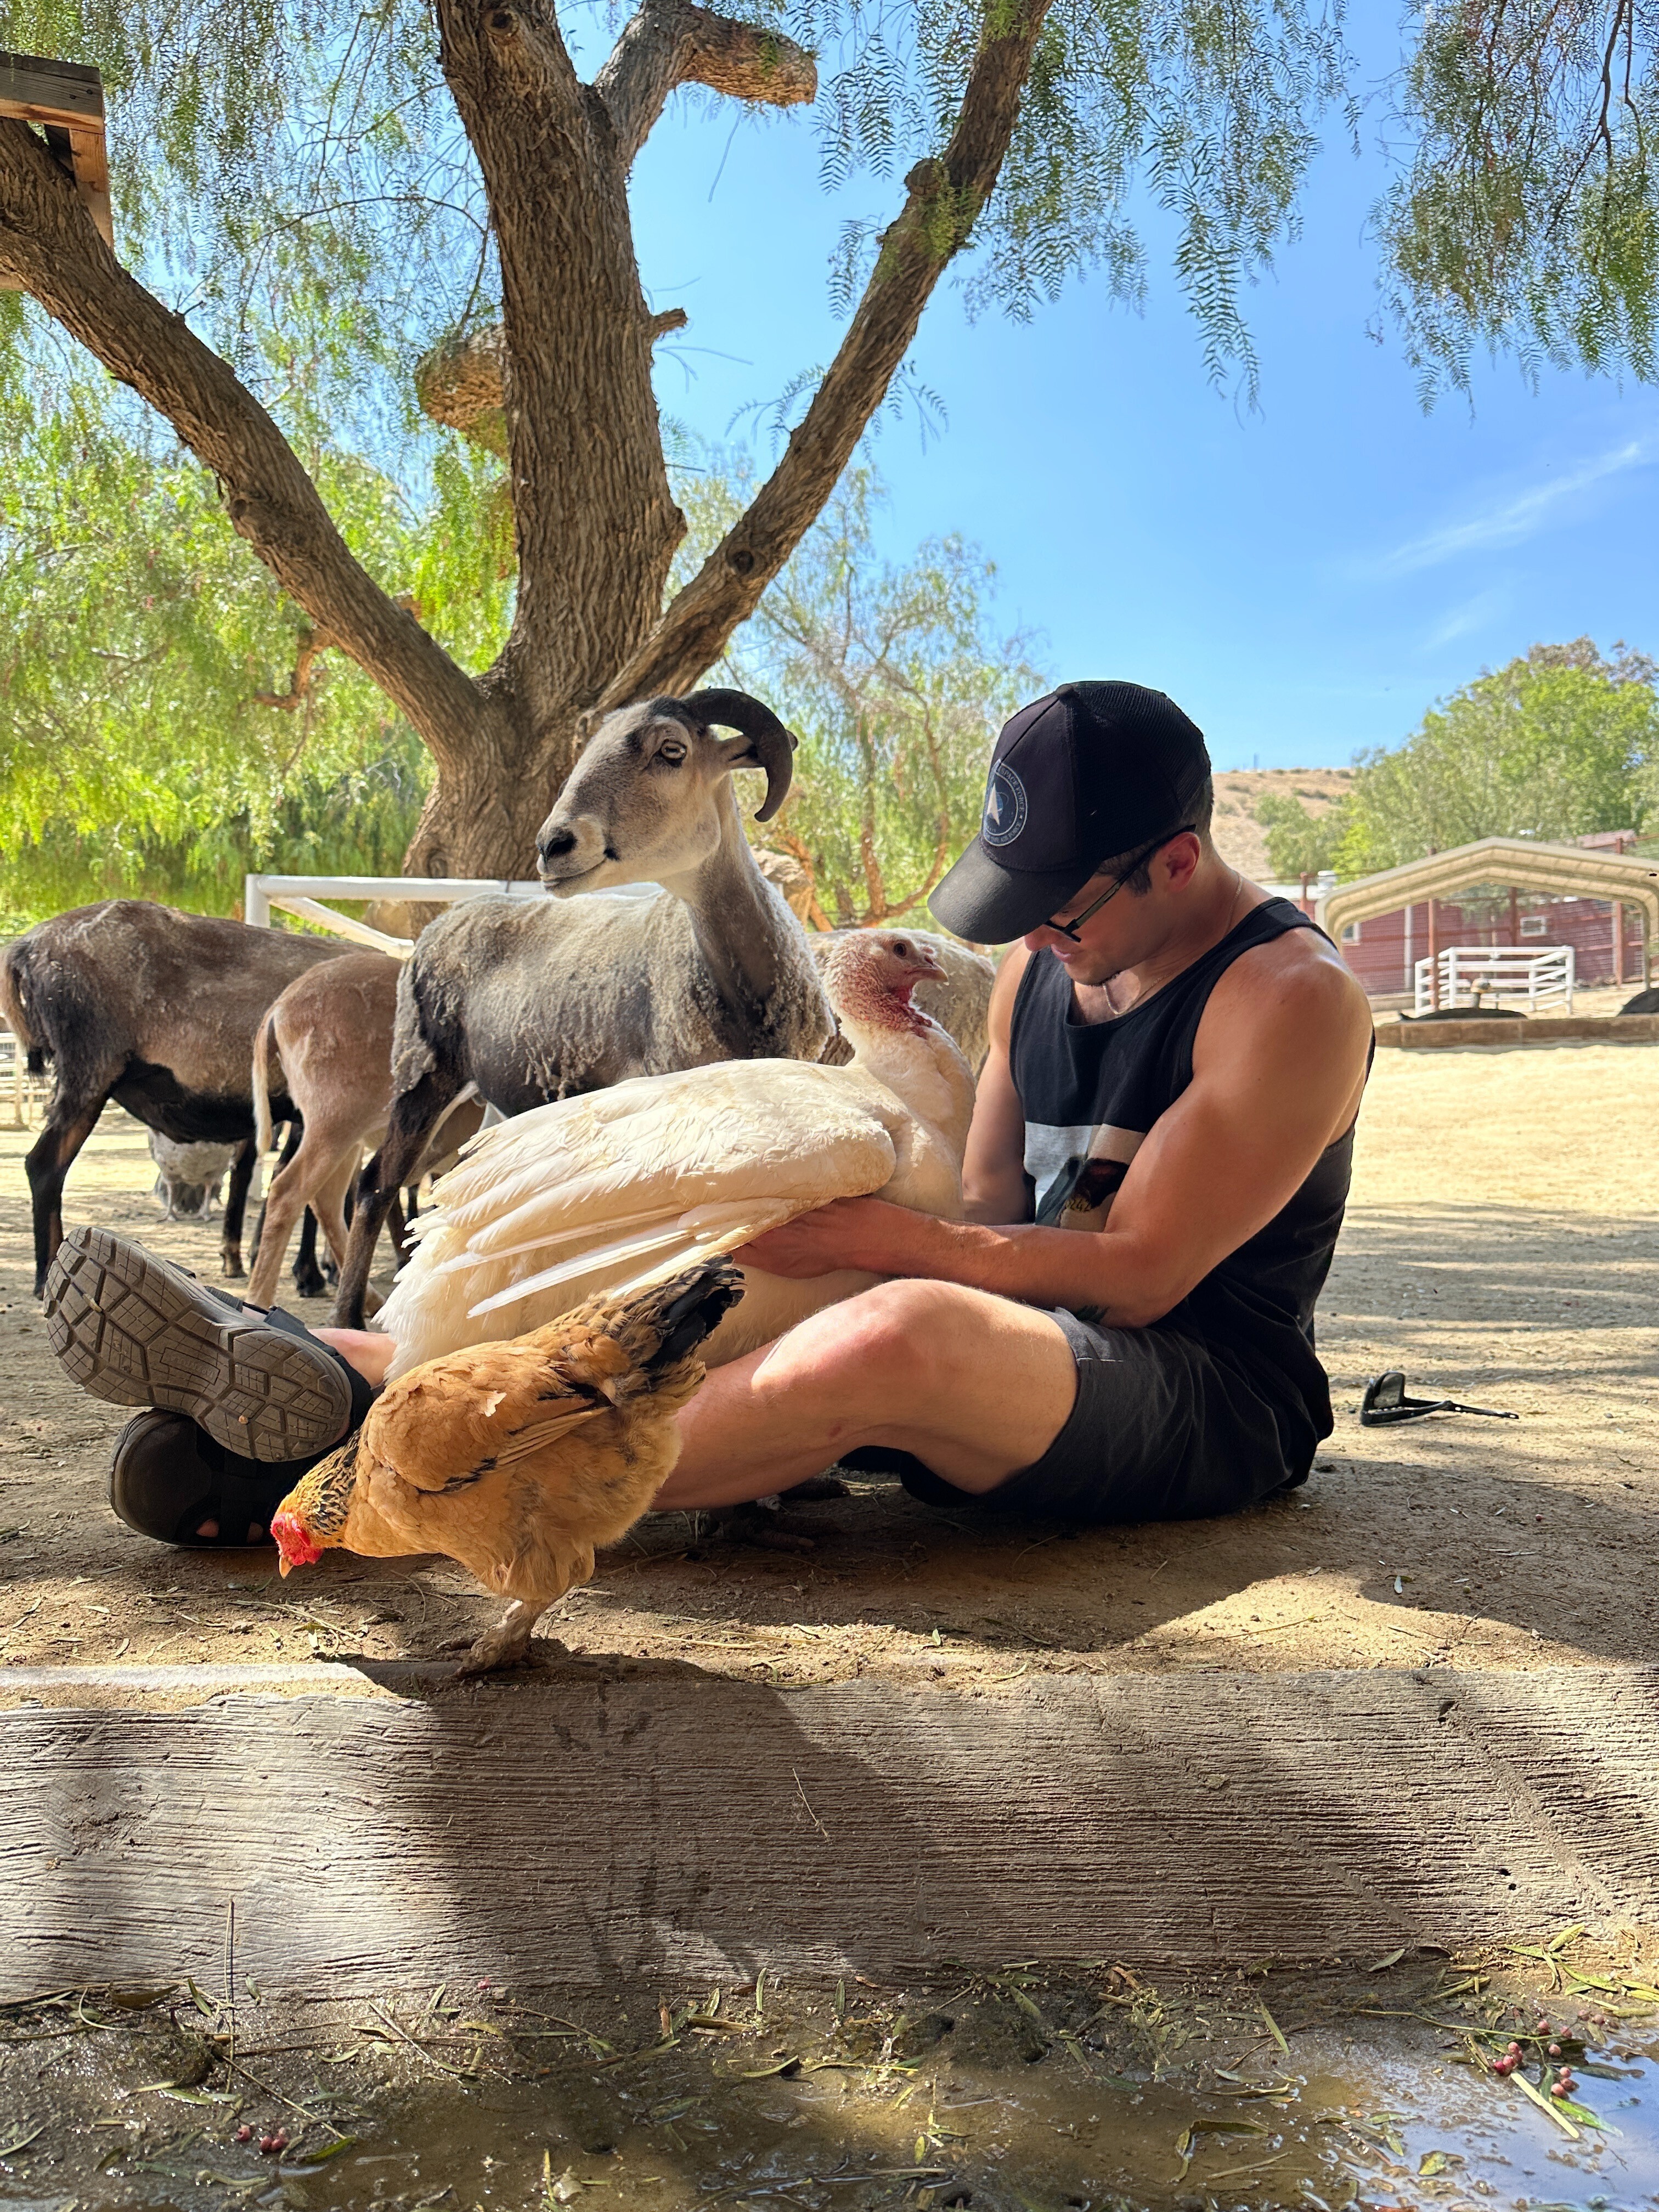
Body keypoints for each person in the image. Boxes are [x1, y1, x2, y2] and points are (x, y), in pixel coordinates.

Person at [45, 680, 1373, 1545]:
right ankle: (344, 1374)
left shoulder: (1288, 1003)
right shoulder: (1041, 964)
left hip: (1195, 1391)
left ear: (1179, 861)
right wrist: (816, 1211)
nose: (1031, 936)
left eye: (1061, 906)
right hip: (1029, 1323)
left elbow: (1138, 1280)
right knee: (717, 1261)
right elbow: (979, 1211)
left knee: (894, 1323)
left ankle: (388, 1479)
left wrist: (872, 1246)